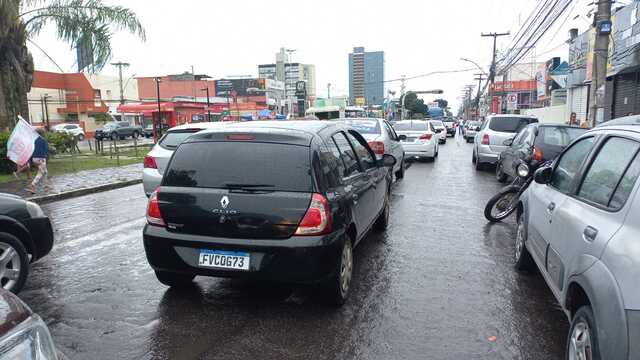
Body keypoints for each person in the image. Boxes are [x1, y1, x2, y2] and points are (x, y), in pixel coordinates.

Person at [26, 128, 50, 194]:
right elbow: (46, 150)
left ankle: (46, 186)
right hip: (41, 158)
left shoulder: (33, 140)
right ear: (42, 133)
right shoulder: (43, 140)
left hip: (34, 159)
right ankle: (32, 185)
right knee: (41, 173)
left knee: (45, 172)